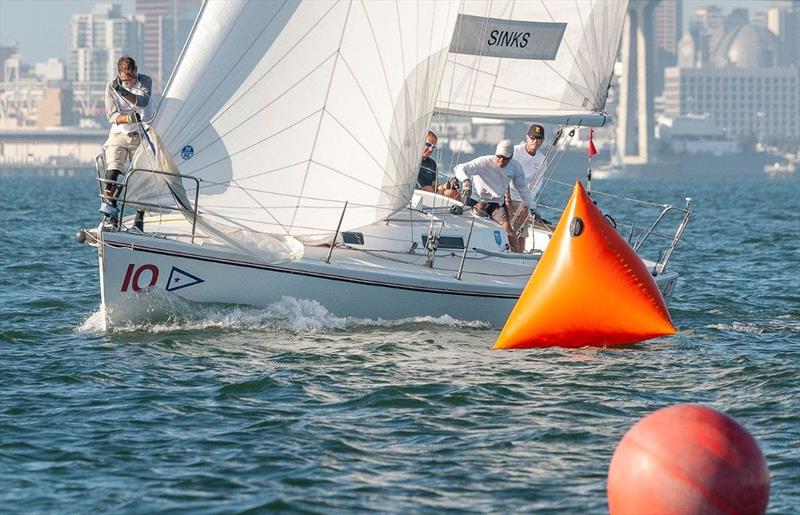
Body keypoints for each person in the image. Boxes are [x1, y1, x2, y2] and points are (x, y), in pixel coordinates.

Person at [100, 55, 153, 229]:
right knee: (112, 171)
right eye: (124, 80)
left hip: (141, 134)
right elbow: (111, 116)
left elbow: (143, 102)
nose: (128, 82)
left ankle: (139, 219)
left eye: (131, 79)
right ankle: (111, 214)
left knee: (141, 176)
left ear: (136, 72)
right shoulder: (111, 86)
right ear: (119, 74)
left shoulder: (144, 81)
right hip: (119, 134)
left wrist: (123, 91)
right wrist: (129, 118)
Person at [453, 139, 532, 252]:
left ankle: (517, 256)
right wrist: (466, 181)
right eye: (499, 156)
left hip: (496, 203)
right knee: (466, 223)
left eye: (505, 158)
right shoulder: (483, 162)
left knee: (507, 228)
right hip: (475, 200)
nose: (501, 160)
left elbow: (522, 188)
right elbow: (460, 168)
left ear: (511, 157)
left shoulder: (515, 167)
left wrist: (532, 206)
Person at [508, 123, 547, 251]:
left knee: (522, 229)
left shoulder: (542, 159)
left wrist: (527, 203)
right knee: (507, 225)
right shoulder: (515, 151)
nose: (536, 141)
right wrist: (507, 200)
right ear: (527, 137)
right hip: (507, 193)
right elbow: (504, 174)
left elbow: (536, 184)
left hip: (523, 198)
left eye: (539, 139)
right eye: (533, 138)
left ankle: (519, 254)